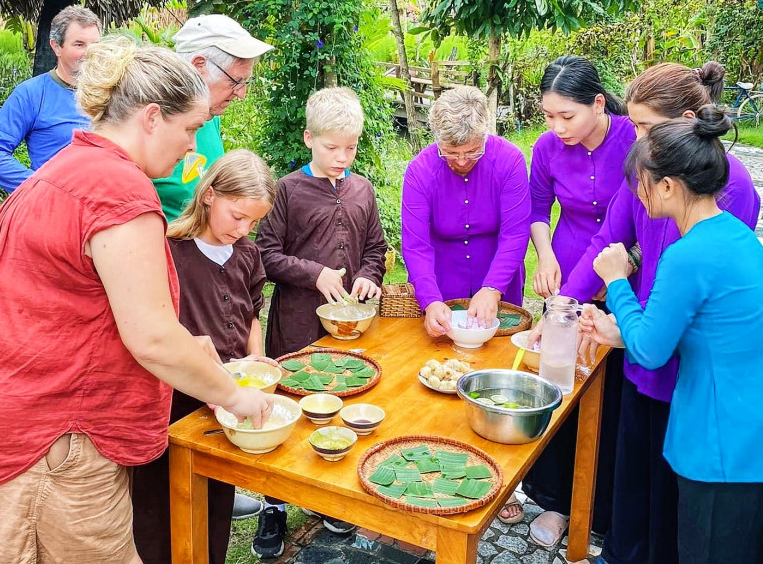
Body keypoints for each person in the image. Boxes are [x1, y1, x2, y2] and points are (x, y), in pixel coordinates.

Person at [0, 38, 270, 564]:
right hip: (45, 433)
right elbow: (152, 337)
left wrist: (187, 347)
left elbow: (80, 306)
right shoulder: (121, 192)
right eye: (189, 129)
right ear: (153, 117)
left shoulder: (70, 165)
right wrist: (235, 395)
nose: (193, 147)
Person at [579, 105, 763, 564]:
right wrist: (618, 330)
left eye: (639, 181)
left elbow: (650, 351)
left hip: (727, 442)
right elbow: (700, 332)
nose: (635, 192)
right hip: (760, 428)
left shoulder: (689, 255)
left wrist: (618, 282)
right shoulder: (732, 237)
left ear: (667, 185)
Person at [559, 61, 761, 564]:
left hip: (682, 362)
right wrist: (565, 302)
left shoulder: (727, 189)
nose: (636, 139)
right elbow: (610, 240)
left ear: (688, 120)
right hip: (641, 346)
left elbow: (692, 297)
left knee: (676, 498)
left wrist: (622, 311)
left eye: (646, 127)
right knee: (635, 475)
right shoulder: (647, 168)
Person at [254, 86, 388, 557]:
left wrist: (370, 276)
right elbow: (265, 256)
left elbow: (376, 248)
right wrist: (316, 274)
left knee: (336, 403)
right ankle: (274, 506)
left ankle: (327, 498)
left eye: (350, 148)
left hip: (350, 328)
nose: (341, 157)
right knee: (287, 411)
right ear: (309, 138)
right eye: (332, 147)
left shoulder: (363, 190)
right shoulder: (286, 191)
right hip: (294, 324)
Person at [133, 149, 278, 564]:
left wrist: (257, 358)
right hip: (173, 401)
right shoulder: (169, 250)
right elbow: (152, 326)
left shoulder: (247, 254)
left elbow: (251, 314)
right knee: (161, 504)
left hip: (227, 403)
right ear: (210, 194)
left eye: (254, 221)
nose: (244, 228)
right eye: (238, 216)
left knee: (215, 497)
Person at [517, 57, 635, 541]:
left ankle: (603, 505)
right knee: (561, 380)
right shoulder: (547, 147)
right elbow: (538, 205)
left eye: (567, 115)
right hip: (568, 271)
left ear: (598, 104)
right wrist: (545, 255)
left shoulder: (634, 140)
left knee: (613, 395)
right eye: (548, 115)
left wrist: (620, 270)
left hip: (622, 273)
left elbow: (632, 221)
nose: (556, 126)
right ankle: (555, 501)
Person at [402, 85, 531, 336]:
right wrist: (430, 300)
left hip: (500, 278)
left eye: (473, 152)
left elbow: (515, 233)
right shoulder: (419, 172)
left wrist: (493, 288)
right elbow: (416, 244)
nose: (461, 161)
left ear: (485, 135)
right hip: (442, 283)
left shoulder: (510, 161)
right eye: (450, 153)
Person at [155, 14, 274, 220]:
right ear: (199, 66)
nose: (242, 93)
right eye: (236, 81)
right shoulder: (152, 122)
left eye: (246, 82)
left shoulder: (211, 118)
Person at [0, 5, 101, 192]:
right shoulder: (31, 94)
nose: (89, 53)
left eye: (95, 45)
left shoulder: (114, 91)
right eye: (79, 44)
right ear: (56, 47)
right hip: (57, 208)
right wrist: (40, 188)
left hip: (107, 208)